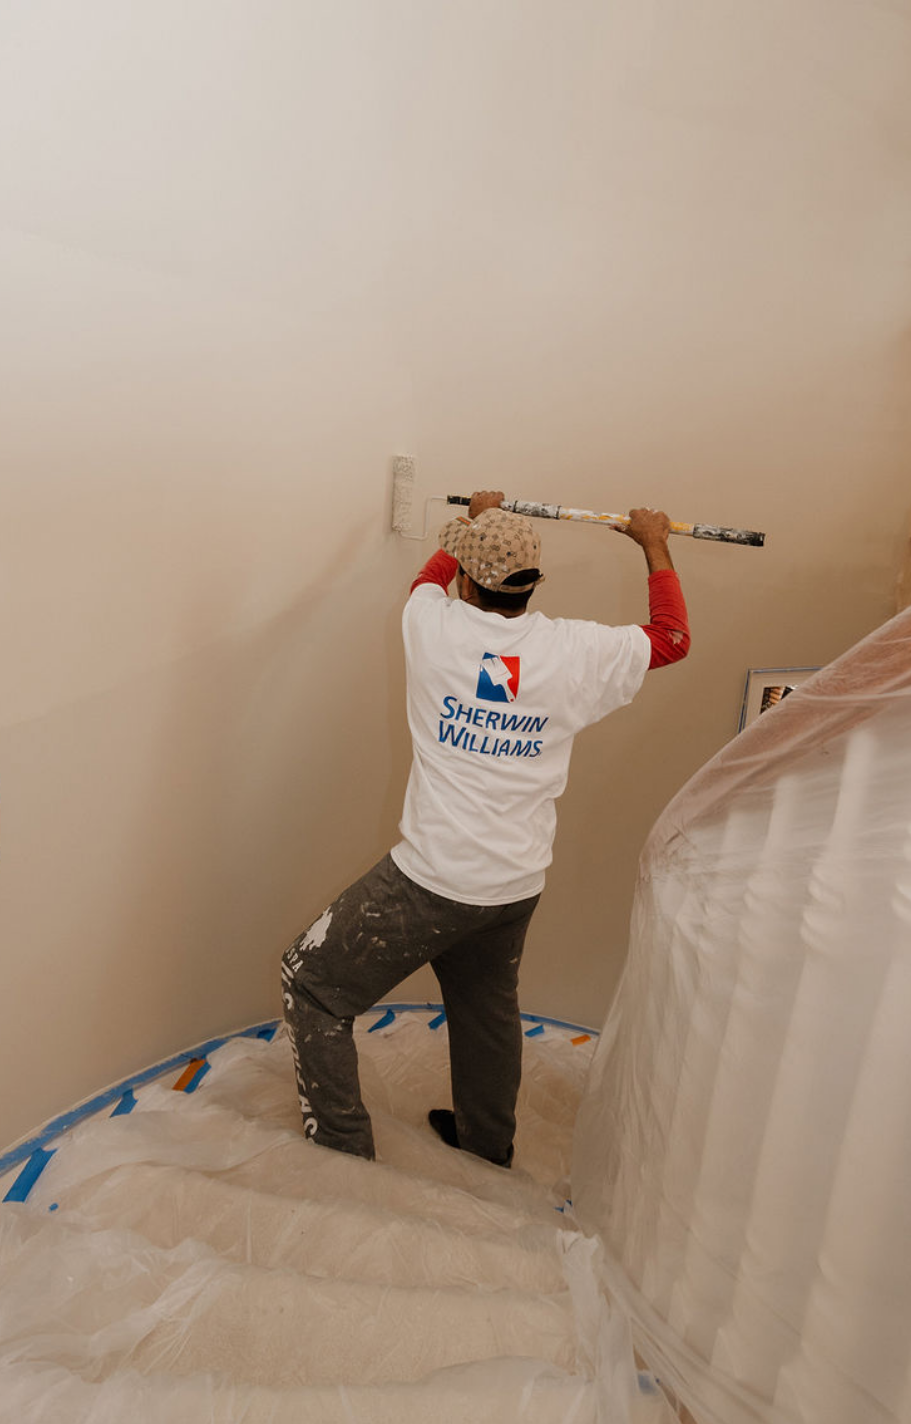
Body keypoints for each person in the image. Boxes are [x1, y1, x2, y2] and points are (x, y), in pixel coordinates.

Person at [280, 489, 691, 1167]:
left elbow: (429, 576)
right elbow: (672, 638)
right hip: (514, 884)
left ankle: (342, 1154)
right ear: (532, 582)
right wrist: (654, 543)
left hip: (432, 882)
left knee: (312, 984)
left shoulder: (429, 623)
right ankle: (486, 1146)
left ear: (468, 583)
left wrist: (474, 520)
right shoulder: (574, 650)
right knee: (485, 1017)